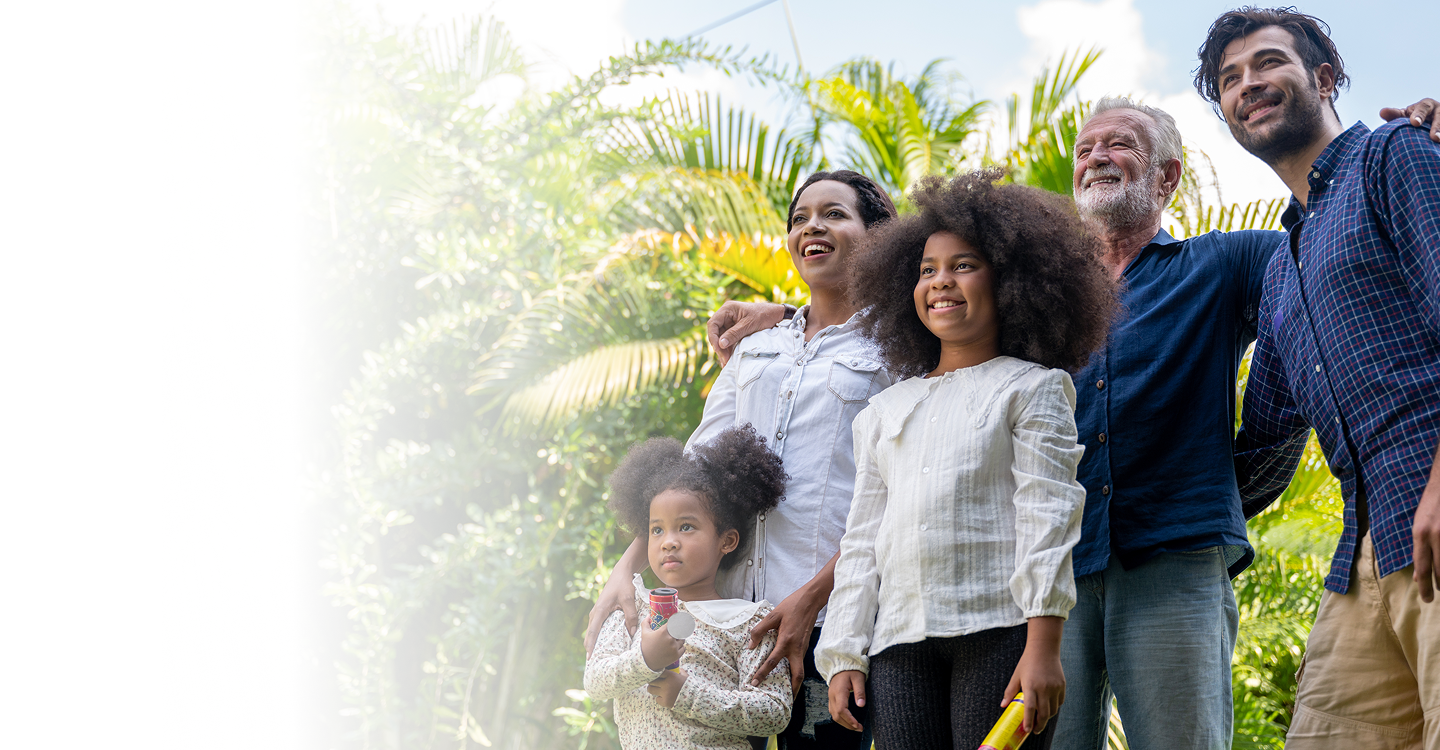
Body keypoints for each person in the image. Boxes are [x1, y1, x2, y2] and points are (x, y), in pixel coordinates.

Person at [709, 93, 1440, 750]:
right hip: (1041, 580)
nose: (1095, 157)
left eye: (1120, 143)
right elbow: (929, 318)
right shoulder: (1027, 309)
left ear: (1167, 176)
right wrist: (795, 315)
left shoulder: (1226, 263)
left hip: (1173, 555)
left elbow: (1331, 249)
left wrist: (1421, 142)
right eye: (1086, 148)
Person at [1194, 8, 1440, 748]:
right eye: (1230, 79)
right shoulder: (1281, 269)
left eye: (1268, 63)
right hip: (1365, 551)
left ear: (1325, 78)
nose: (1249, 85)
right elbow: (1263, 441)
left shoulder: (1397, 157)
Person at [586, 170, 899, 749]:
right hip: (728, 628)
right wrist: (629, 562)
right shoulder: (755, 347)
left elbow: (898, 500)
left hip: (830, 621)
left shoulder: (898, 349)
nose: (813, 227)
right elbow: (695, 469)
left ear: (877, 236)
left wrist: (809, 601)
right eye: (800, 217)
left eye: (834, 214)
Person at [815, 170, 1116, 750]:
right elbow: (861, 541)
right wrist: (845, 650)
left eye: (963, 265)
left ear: (1011, 283)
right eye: (927, 270)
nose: (941, 282)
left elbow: (1047, 516)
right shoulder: (882, 410)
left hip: (999, 631)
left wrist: (1043, 646)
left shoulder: (1033, 388)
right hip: (898, 642)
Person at [584, 425, 793, 749]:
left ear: (726, 540)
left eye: (685, 527)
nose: (668, 542)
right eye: (656, 530)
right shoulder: (633, 609)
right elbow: (595, 681)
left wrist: (690, 695)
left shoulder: (750, 623)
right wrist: (645, 659)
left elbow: (775, 712)